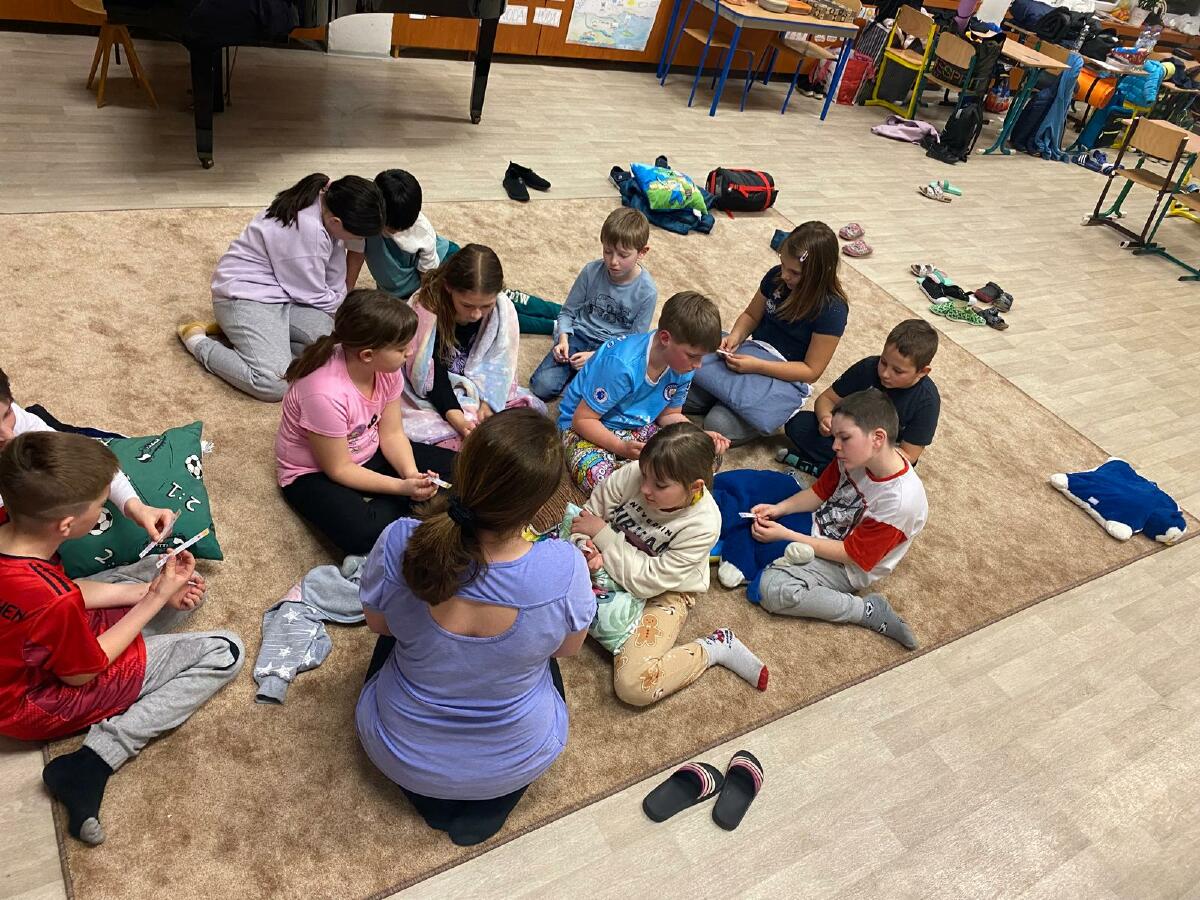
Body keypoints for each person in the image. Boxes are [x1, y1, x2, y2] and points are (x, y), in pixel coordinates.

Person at [355, 409, 596, 847]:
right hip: (518, 758)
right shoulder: (565, 567)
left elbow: (378, 624)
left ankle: (432, 790)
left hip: (401, 753)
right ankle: (490, 793)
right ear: (540, 504)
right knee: (541, 650)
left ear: (461, 467)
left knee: (399, 631)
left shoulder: (399, 539)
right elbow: (567, 650)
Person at [0, 431, 243, 845]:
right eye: (99, 507)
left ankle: (155, 592)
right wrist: (155, 600)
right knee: (225, 650)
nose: (102, 511)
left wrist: (148, 591)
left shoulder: (12, 527)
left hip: (31, 647)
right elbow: (83, 671)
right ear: (66, 525)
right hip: (37, 700)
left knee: (162, 574)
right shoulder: (52, 600)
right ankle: (93, 762)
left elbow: (69, 593)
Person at [569, 423, 768, 707]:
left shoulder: (704, 524)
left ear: (695, 487)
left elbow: (647, 582)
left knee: (634, 685)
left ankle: (715, 648)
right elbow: (585, 518)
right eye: (644, 475)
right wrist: (585, 546)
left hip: (665, 592)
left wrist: (602, 535)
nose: (645, 489)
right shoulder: (635, 473)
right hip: (610, 560)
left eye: (659, 485)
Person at [275, 289, 456, 557]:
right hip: (314, 471)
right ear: (367, 355)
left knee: (463, 468)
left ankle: (405, 499)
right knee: (363, 535)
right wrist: (402, 488)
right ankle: (408, 501)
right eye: (401, 348)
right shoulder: (324, 394)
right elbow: (339, 469)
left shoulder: (387, 370)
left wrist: (410, 474)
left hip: (367, 450)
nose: (410, 352)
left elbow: (392, 434)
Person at [177, 173, 386, 402]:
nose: (356, 241)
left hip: (285, 295)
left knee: (329, 343)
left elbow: (333, 274)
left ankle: (245, 337)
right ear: (337, 222)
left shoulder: (326, 200)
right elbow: (313, 294)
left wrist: (341, 303)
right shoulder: (309, 233)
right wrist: (345, 308)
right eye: (357, 235)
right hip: (245, 297)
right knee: (272, 384)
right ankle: (197, 339)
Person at [749, 389, 925, 650]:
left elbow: (853, 556)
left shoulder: (900, 503)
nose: (835, 446)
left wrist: (786, 534)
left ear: (877, 438)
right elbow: (820, 492)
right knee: (752, 495)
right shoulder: (854, 456)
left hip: (846, 566)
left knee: (773, 589)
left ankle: (866, 611)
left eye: (845, 438)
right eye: (835, 437)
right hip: (821, 526)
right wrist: (779, 509)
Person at [686, 221, 849, 446]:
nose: (785, 275)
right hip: (752, 355)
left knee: (718, 424)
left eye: (795, 272)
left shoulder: (832, 309)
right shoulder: (777, 278)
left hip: (783, 375)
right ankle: (722, 396)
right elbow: (751, 316)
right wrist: (735, 337)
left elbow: (811, 371)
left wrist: (757, 366)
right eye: (783, 265)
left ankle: (730, 401)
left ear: (818, 275)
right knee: (680, 388)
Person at [345, 169, 563, 334]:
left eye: (401, 228)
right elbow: (355, 256)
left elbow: (427, 280)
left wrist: (426, 308)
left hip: (443, 266)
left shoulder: (421, 230)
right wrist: (346, 295)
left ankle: (561, 316)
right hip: (402, 288)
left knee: (492, 306)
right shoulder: (365, 221)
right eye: (391, 228)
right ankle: (559, 321)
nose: (395, 232)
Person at [557, 291, 730, 494]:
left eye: (701, 358)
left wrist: (697, 435)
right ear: (665, 338)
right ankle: (650, 484)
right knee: (603, 482)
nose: (698, 365)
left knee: (704, 456)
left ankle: (649, 481)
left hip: (638, 425)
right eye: (692, 356)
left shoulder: (684, 368)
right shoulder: (622, 365)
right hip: (585, 426)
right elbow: (582, 420)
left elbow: (669, 414)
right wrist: (621, 447)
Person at [0, 367, 173, 542]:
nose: (8, 435)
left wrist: (135, 507)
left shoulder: (20, 422)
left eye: (7, 414)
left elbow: (87, 462)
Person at [400, 244, 545, 449]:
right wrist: (455, 415)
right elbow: (428, 372)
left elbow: (501, 363)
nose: (476, 314)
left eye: (486, 306)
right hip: (438, 389)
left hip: (476, 383)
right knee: (443, 439)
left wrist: (489, 403)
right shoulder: (426, 308)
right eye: (467, 305)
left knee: (531, 420)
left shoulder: (502, 309)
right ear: (449, 287)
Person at [529, 208, 656, 400]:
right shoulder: (591, 271)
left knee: (592, 399)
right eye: (607, 251)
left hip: (611, 349)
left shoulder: (647, 292)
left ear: (642, 252)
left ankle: (576, 381)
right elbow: (567, 313)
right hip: (578, 335)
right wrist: (563, 339)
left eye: (623, 255)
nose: (613, 261)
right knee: (542, 387)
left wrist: (597, 356)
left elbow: (633, 343)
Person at [785, 319, 941, 474]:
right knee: (799, 424)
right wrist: (826, 418)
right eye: (883, 362)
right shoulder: (868, 367)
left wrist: (866, 454)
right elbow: (826, 399)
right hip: (846, 436)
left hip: (879, 456)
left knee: (897, 472)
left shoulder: (927, 401)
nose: (885, 374)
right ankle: (839, 473)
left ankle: (829, 470)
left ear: (922, 372)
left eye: (898, 371)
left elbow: (909, 455)